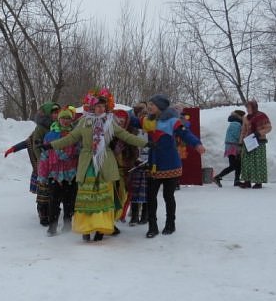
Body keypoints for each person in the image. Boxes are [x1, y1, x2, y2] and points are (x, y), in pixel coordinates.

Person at [46, 89, 147, 242]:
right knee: (87, 197)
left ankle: (101, 228)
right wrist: (50, 145)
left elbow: (126, 136)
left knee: (104, 197)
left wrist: (146, 143)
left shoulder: (110, 122)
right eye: (97, 106)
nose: (100, 109)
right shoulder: (84, 121)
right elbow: (71, 138)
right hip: (87, 163)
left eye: (103, 106)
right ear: (92, 107)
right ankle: (86, 229)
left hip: (104, 162)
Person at [140, 94, 205, 238]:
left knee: (168, 196)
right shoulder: (147, 121)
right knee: (150, 197)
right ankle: (152, 226)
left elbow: (185, 134)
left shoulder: (172, 121)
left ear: (160, 107)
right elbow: (133, 120)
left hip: (170, 164)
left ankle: (170, 223)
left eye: (153, 105)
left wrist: (197, 144)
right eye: (149, 104)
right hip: (153, 164)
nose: (149, 107)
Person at [5, 102, 61, 226]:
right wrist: (14, 149)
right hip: (45, 163)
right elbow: (32, 143)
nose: (56, 115)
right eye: (53, 113)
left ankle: (53, 212)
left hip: (58, 163)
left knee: (54, 191)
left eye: (58, 113)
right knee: (44, 190)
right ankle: (43, 213)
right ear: (47, 114)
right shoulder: (40, 129)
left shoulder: (59, 126)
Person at [37, 108, 79, 236]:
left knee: (69, 200)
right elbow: (45, 156)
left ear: (71, 120)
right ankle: (52, 226)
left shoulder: (75, 134)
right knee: (53, 200)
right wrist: (42, 174)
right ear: (59, 119)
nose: (65, 121)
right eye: (63, 118)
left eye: (68, 118)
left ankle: (67, 224)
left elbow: (78, 152)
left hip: (70, 173)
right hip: (54, 174)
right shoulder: (50, 135)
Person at [239, 100, 272, 189]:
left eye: (249, 107)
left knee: (258, 162)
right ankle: (247, 181)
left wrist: (259, 133)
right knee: (247, 162)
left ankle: (258, 182)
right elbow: (243, 130)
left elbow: (269, 127)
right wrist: (240, 142)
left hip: (259, 141)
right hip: (248, 142)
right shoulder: (245, 118)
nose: (247, 109)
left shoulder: (262, 116)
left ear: (254, 107)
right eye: (247, 108)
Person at [213, 110, 246, 187]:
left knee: (238, 164)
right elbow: (237, 135)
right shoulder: (236, 124)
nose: (244, 118)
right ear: (239, 116)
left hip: (232, 146)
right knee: (234, 165)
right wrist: (243, 138)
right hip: (233, 147)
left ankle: (236, 180)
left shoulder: (234, 123)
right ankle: (218, 177)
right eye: (243, 116)